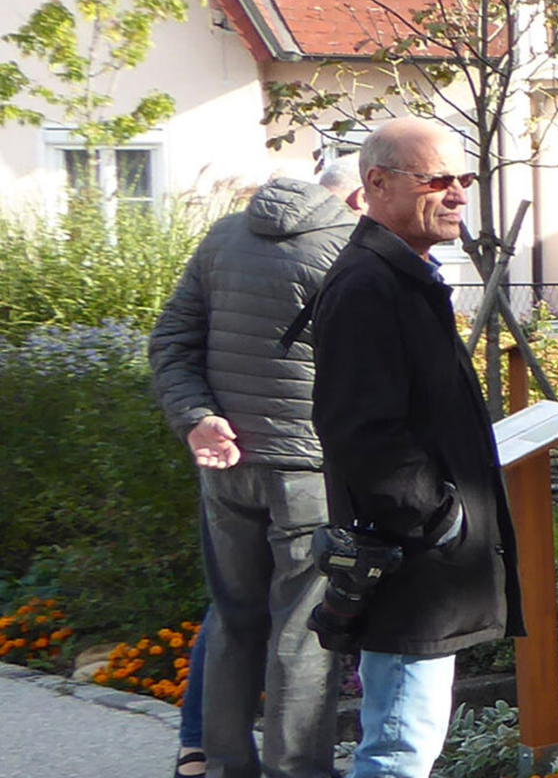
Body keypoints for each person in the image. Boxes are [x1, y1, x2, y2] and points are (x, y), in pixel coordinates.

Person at [308, 120, 521, 778]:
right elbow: (360, 431)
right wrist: (438, 520)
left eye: (464, 179)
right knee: (400, 749)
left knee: (409, 742)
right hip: (411, 568)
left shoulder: (403, 276)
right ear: (377, 185)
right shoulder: (367, 286)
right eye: (438, 180)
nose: (458, 193)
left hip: (427, 564)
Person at [150, 154, 362, 778]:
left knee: (235, 618)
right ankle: (296, 772)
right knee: (302, 633)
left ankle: (220, 766)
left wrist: (196, 417)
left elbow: (170, 340)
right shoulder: (351, 248)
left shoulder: (223, 236)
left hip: (226, 461)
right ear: (357, 198)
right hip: (308, 469)